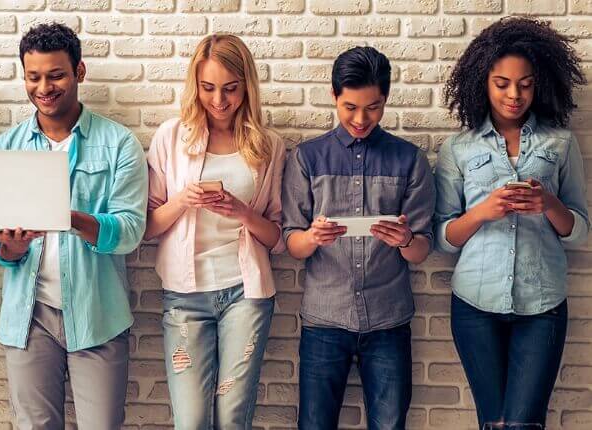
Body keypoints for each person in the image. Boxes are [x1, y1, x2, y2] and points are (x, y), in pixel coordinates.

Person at [0, 23, 148, 429]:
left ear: (79, 72)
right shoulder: (5, 149)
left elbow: (129, 231)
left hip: (98, 316)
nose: (44, 87)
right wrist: (11, 246)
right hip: (30, 316)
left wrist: (67, 217)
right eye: (33, 77)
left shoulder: (119, 143)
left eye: (56, 75)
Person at [436, 17, 590, 429]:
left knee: (523, 424)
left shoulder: (560, 142)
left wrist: (548, 203)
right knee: (494, 423)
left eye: (525, 83)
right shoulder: (458, 147)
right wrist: (483, 212)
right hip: (474, 306)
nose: (514, 94)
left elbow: (580, 230)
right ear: (482, 81)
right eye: (502, 83)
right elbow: (444, 237)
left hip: (542, 306)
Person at [282, 46, 436, 430]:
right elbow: (291, 243)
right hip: (324, 319)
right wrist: (313, 237)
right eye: (350, 107)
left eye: (374, 107)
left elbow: (421, 249)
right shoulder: (306, 158)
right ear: (334, 96)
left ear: (386, 99)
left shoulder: (410, 160)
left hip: (388, 319)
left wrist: (404, 239)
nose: (361, 118)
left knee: (389, 425)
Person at [144, 34, 286, 429]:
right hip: (185, 296)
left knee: (232, 419)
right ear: (196, 85)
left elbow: (277, 237)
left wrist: (241, 211)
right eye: (208, 88)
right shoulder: (172, 138)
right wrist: (182, 200)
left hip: (247, 293)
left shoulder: (268, 146)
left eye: (230, 88)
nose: (219, 100)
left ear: (247, 86)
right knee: (191, 421)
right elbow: (147, 228)